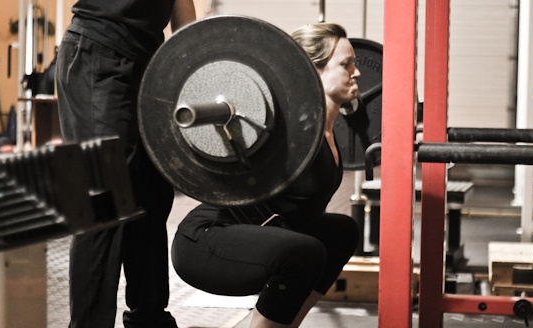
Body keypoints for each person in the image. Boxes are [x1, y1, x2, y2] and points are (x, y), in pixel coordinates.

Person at [171, 22, 361, 328]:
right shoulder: (282, 131)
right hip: (209, 239)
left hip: (268, 232)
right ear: (313, 71)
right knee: (305, 252)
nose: (357, 72)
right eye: (346, 64)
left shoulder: (327, 131)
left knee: (342, 232)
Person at [55, 0, 195, 327]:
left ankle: (149, 319)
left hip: (150, 66)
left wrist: (190, 63)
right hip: (97, 54)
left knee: (151, 198)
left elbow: (181, 9)